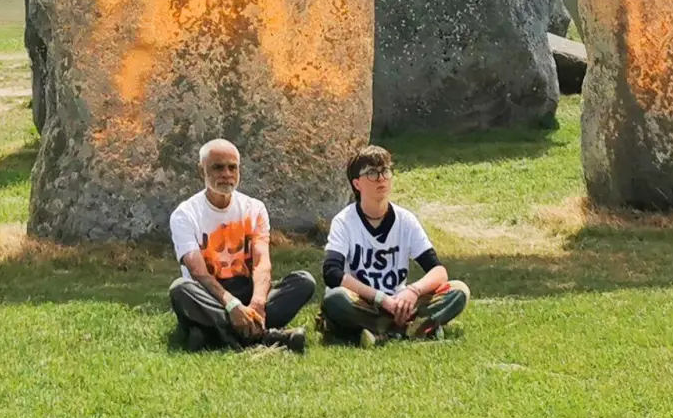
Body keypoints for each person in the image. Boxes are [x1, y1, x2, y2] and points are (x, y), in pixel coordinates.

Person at [168, 139, 315, 353]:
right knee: (180, 289)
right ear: (202, 172)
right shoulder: (185, 214)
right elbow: (198, 272)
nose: (226, 173)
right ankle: (266, 335)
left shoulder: (254, 208)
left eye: (232, 167)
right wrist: (231, 305)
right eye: (218, 167)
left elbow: (262, 262)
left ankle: (213, 333)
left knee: (304, 282)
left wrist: (257, 303)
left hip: (246, 289)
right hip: (210, 295)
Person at [318, 145, 469, 345]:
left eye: (385, 171)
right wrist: (381, 299)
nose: (381, 178)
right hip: (365, 302)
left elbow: (438, 270)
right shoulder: (344, 221)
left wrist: (412, 292)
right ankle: (411, 328)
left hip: (401, 303)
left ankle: (381, 331)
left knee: (458, 290)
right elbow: (332, 272)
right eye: (372, 173)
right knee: (335, 298)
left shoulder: (405, 219)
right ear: (357, 184)